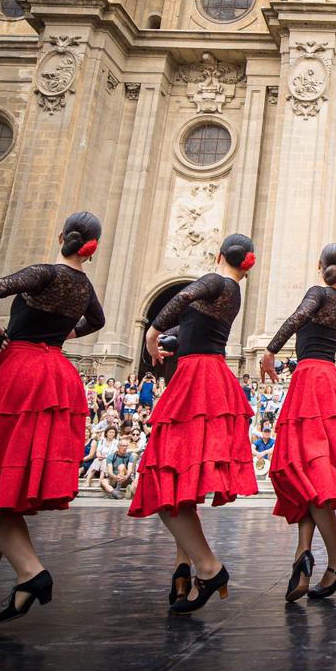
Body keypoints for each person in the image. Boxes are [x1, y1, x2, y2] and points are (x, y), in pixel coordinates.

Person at [0, 211, 105, 632]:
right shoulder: (84, 286)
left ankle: (32, 572)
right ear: (93, 248)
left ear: (62, 236)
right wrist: (65, 335)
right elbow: (98, 321)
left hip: (20, 370)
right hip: (56, 373)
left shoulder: (45, 273)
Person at [131, 234, 257, 613]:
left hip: (195, 381)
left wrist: (152, 334)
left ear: (218, 255)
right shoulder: (232, 290)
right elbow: (198, 328)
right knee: (181, 480)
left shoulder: (215, 281)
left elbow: (184, 296)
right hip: (209, 375)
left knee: (164, 477)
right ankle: (181, 567)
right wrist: (174, 339)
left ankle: (209, 567)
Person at [263, 243, 336, 602]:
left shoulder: (318, 293)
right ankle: (303, 555)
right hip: (331, 380)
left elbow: (298, 317)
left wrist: (271, 349)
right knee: (309, 470)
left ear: (319, 265)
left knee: (309, 468)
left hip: (311, 380)